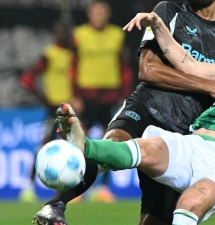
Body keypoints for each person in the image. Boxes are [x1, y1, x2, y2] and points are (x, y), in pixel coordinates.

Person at [32, 1, 215, 225]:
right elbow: (148, 69)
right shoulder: (166, 12)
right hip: (150, 106)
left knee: (157, 217)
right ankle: (55, 206)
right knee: (115, 143)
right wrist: (209, 87)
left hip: (187, 136)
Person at [70, 0, 134, 203]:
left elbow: (125, 66)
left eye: (103, 12)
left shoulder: (117, 34)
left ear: (108, 15)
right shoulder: (79, 35)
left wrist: (125, 94)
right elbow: (72, 66)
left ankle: (104, 188)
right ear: (90, 14)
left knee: (110, 141)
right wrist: (74, 95)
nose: (99, 16)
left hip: (109, 95)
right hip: (86, 95)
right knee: (80, 142)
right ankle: (78, 186)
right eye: (96, 12)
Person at [18, 20, 73, 203]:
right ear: (54, 34)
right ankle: (29, 186)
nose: (62, 35)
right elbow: (27, 79)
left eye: (64, 32)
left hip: (72, 107)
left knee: (75, 148)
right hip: (54, 108)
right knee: (45, 146)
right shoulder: (49, 55)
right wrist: (44, 98)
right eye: (59, 32)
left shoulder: (72, 56)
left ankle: (74, 188)